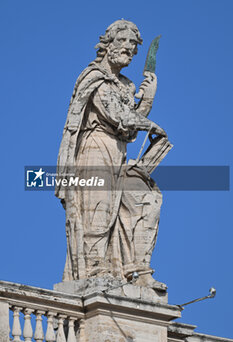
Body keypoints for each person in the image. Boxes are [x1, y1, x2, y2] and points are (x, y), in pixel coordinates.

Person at [55, 20, 170, 288]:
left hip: (118, 151)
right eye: (125, 42)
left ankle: (136, 270)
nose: (130, 49)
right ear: (109, 44)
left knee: (143, 199)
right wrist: (149, 123)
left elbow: (128, 131)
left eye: (134, 45)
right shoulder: (93, 77)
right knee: (98, 208)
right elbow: (116, 114)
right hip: (94, 149)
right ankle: (95, 270)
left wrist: (148, 101)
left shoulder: (126, 86)